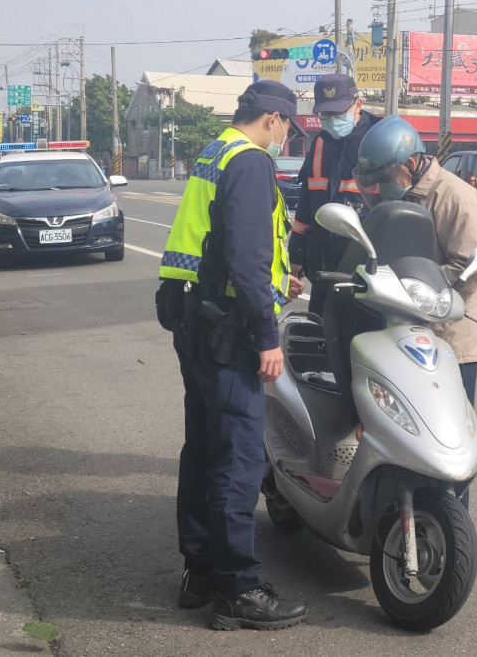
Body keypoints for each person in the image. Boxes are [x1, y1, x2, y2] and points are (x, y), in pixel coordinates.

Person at [155, 79, 308, 632]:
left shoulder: (214, 151)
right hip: (229, 334)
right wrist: (267, 334)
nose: (286, 137)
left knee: (202, 451)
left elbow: (216, 249)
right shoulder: (252, 162)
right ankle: (238, 590)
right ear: (272, 119)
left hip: (197, 323)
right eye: (287, 126)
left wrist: (277, 282)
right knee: (239, 461)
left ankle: (200, 572)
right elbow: (245, 259)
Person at [353, 116, 477, 407]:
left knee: (450, 417)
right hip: (408, 325)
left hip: (450, 332)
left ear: (411, 165)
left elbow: (467, 265)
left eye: (385, 179)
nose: (379, 188)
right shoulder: (403, 195)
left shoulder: (455, 198)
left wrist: (407, 285)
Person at [288, 73, 381, 315]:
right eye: (324, 115)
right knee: (319, 341)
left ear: (358, 104)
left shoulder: (380, 139)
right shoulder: (320, 143)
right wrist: (296, 256)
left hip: (369, 270)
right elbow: (306, 207)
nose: (330, 121)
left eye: (338, 114)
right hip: (323, 269)